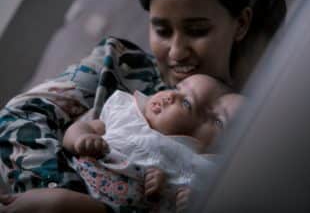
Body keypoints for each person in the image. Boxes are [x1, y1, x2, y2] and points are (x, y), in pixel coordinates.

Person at [0, 0, 254, 212]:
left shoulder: (251, 126)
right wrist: (63, 194)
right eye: (162, 31)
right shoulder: (117, 64)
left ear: (241, 23)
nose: (176, 52)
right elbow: (16, 120)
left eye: (197, 30)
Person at [62, 74, 242, 212]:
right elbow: (79, 129)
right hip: (79, 184)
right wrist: (81, 139)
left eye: (187, 103)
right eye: (177, 88)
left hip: (112, 209)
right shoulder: (128, 116)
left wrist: (188, 200)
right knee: (53, 204)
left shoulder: (199, 170)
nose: (170, 95)